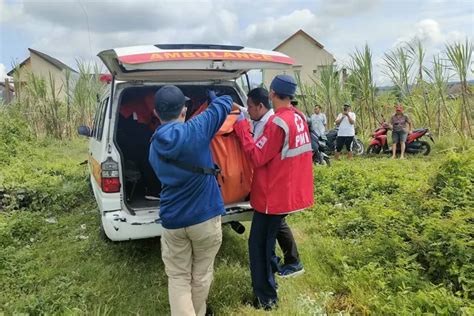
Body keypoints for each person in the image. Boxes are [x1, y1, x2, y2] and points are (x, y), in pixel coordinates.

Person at [148, 85, 233, 316]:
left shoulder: (153, 146)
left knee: (178, 277)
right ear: (184, 110)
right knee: (202, 273)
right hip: (204, 217)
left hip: (173, 220)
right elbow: (226, 103)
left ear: (156, 113)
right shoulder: (197, 129)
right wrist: (214, 97)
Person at [233, 75, 314, 310]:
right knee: (266, 243)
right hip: (286, 190)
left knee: (257, 248)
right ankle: (275, 275)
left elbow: (257, 156)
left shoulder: (277, 123)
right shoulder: (298, 117)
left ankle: (266, 300)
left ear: (271, 94)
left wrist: (242, 130)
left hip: (272, 195)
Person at [246, 87, 304, 278]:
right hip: (277, 186)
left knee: (270, 230)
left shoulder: (273, 124)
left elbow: (258, 156)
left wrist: (242, 132)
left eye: (250, 107)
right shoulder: (289, 117)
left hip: (274, 187)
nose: (247, 111)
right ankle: (284, 261)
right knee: (276, 225)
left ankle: (288, 263)